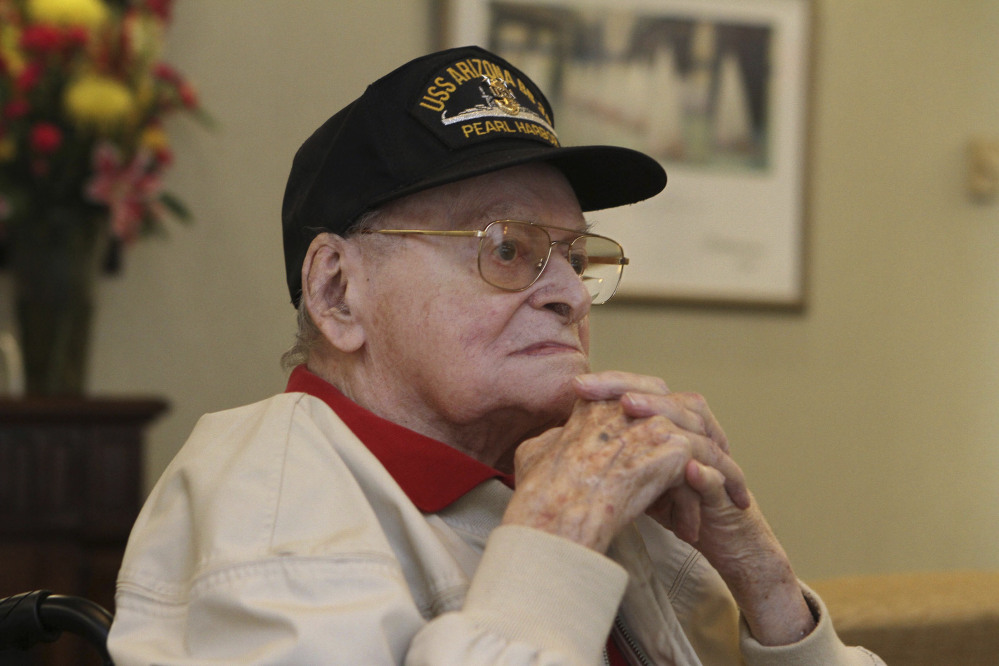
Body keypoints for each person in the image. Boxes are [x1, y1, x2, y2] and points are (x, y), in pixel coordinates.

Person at [107, 46, 883, 665]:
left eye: (576, 258)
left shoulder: (561, 478)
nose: (571, 296)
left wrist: (766, 588)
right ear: (337, 292)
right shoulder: (268, 499)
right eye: (507, 248)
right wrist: (559, 529)